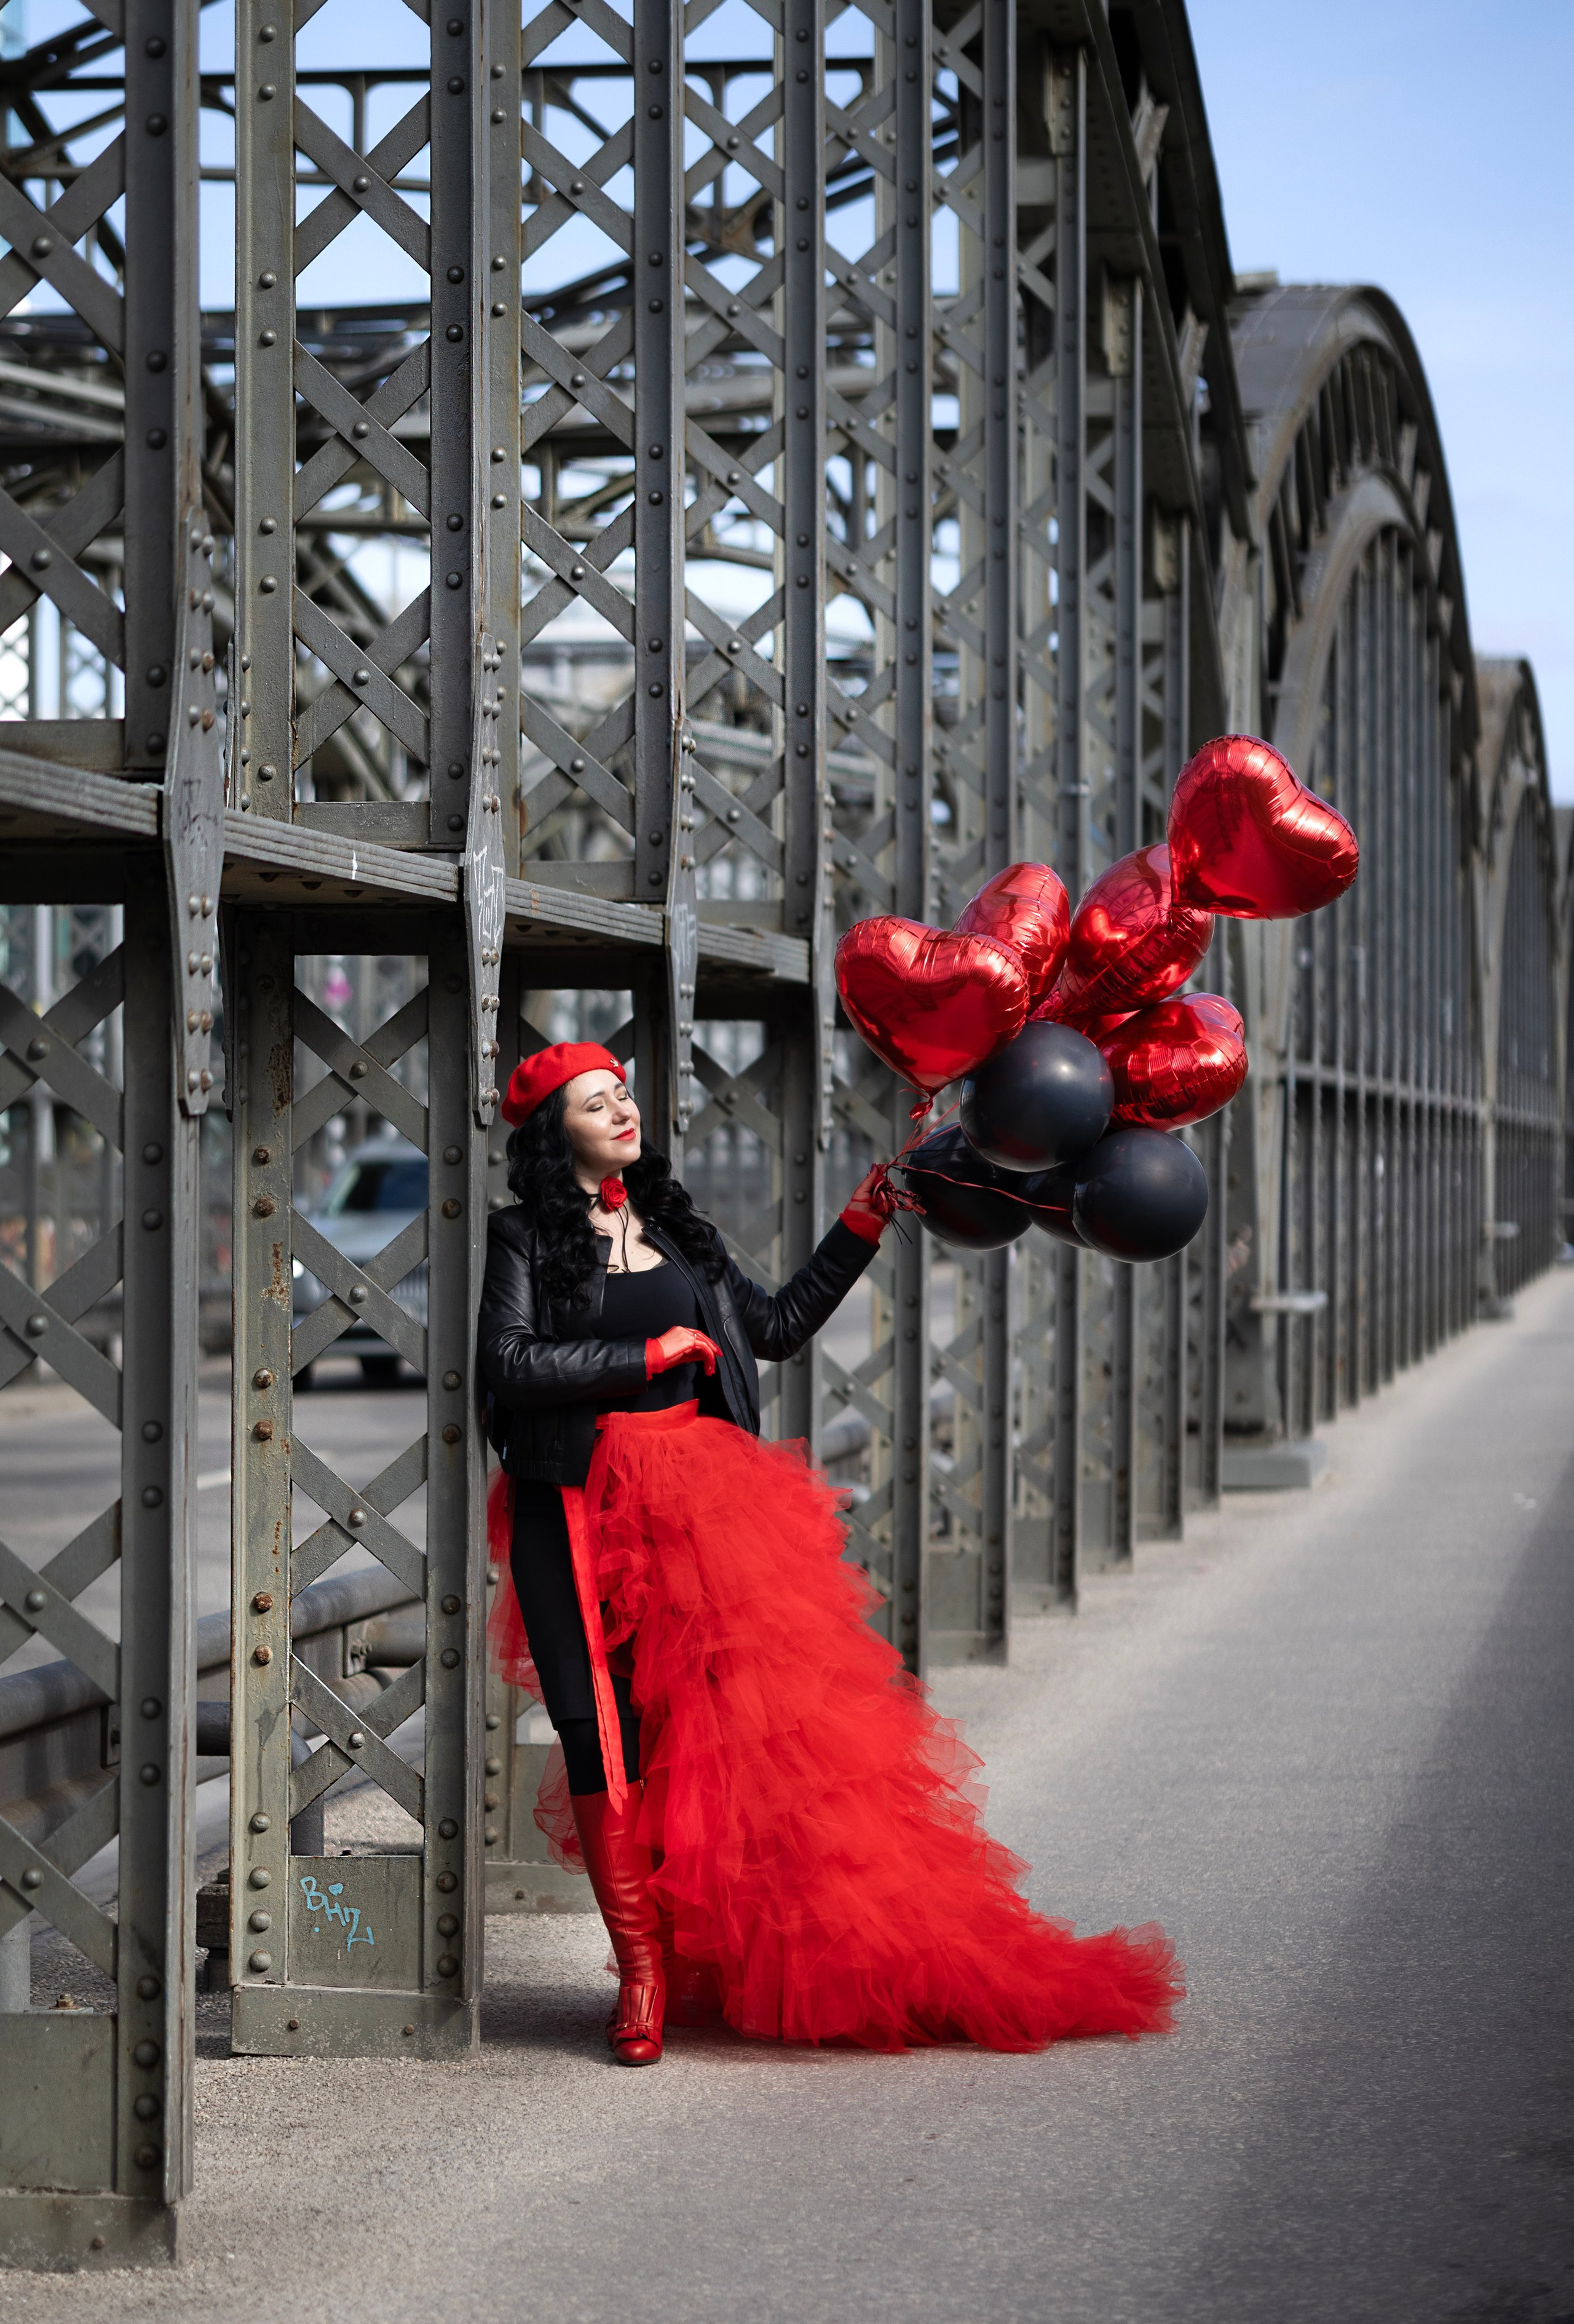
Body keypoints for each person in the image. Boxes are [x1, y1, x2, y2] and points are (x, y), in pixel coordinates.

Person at [477, 1041, 1182, 2066]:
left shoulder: (673, 1225)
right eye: (598, 1101)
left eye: (627, 1090)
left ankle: (719, 1951)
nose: (625, 1108)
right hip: (574, 1515)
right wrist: (645, 1356)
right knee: (601, 1741)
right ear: (556, 1133)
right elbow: (506, 1361)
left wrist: (861, 1224)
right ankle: (640, 1974)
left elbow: (775, 1327)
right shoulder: (520, 1237)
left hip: (703, 1512)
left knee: (724, 1743)